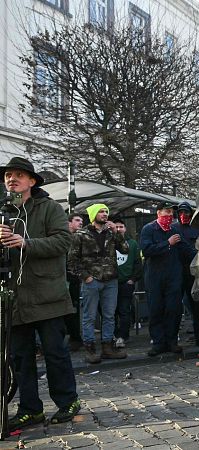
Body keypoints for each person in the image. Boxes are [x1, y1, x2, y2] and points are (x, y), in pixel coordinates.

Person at [0, 157, 81, 431]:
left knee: (55, 353)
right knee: (20, 358)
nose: (12, 179)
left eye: (18, 175)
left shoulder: (49, 208)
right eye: (8, 175)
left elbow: (63, 241)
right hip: (15, 298)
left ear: (32, 181)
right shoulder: (3, 212)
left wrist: (26, 243)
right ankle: (30, 409)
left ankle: (67, 401)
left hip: (48, 295)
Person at [68, 203, 129, 363]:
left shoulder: (111, 233)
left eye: (106, 212)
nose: (104, 214)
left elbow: (125, 250)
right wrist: (85, 277)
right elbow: (72, 260)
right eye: (101, 211)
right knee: (89, 316)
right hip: (91, 281)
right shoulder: (81, 234)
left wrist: (117, 232)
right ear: (94, 214)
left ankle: (107, 347)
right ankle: (90, 348)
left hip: (111, 280)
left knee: (109, 315)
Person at [140, 202, 191, 357]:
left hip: (173, 276)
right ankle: (158, 343)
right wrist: (167, 244)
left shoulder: (175, 230)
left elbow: (185, 248)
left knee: (173, 309)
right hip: (155, 277)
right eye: (166, 212)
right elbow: (147, 250)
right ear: (158, 213)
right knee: (156, 309)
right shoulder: (148, 229)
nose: (169, 216)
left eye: (171, 213)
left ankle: (171, 342)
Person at [173, 201, 199, 347]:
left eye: (186, 213)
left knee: (196, 306)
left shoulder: (197, 229)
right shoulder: (173, 228)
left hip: (193, 272)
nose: (183, 216)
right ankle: (172, 339)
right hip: (177, 271)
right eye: (181, 213)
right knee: (174, 307)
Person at [111, 218, 142, 349]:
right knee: (110, 312)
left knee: (124, 310)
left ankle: (123, 336)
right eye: (116, 227)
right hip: (110, 283)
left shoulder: (132, 244)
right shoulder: (108, 242)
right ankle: (113, 335)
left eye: (121, 227)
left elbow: (138, 263)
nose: (118, 229)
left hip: (126, 283)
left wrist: (133, 279)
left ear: (125, 228)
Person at [64, 213, 84, 351]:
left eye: (81, 221)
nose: (80, 223)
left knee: (74, 309)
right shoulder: (62, 238)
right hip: (62, 279)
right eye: (77, 220)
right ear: (69, 223)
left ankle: (75, 337)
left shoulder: (81, 238)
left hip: (75, 280)